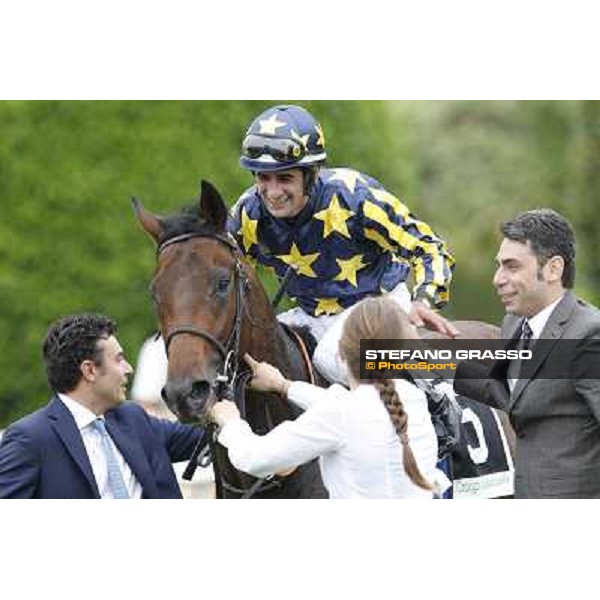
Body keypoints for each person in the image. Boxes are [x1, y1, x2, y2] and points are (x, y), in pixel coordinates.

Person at [227, 104, 458, 384]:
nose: (273, 192)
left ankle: (439, 400)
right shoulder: (247, 212)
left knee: (329, 358)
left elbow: (429, 246)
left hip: (377, 305)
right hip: (309, 314)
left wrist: (424, 300)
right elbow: (221, 272)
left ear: (311, 175)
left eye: (285, 178)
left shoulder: (356, 196)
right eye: (264, 178)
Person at [210, 297, 447, 499]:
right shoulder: (412, 398)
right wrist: (283, 385)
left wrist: (230, 423)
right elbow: (351, 410)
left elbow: (255, 458)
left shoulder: (340, 416)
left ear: (341, 353)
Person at [454, 209, 600, 498]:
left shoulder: (588, 334)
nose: (497, 279)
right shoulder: (514, 325)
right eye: (499, 266)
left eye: (512, 266)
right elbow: (513, 394)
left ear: (553, 269)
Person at [0, 313, 203, 499]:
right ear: (89, 370)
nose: (129, 369)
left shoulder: (133, 418)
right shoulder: (29, 439)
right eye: (119, 359)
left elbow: (204, 440)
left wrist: (220, 410)